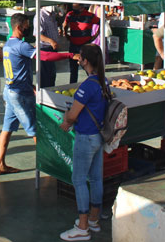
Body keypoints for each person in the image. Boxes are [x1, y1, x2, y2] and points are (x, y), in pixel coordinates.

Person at [0, 13, 77, 174]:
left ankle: (0, 163)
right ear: (19, 27)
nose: (29, 28)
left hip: (10, 91)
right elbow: (44, 56)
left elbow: (16, 69)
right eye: (26, 25)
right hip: (20, 95)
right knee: (35, 130)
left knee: (7, 128)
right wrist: (70, 55)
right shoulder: (22, 45)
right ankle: (52, 162)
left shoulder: (8, 45)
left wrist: (29, 84)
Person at [59, 44, 108, 241]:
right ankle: (94, 220)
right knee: (96, 179)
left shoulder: (87, 86)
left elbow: (73, 114)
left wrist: (66, 121)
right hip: (98, 137)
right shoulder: (103, 83)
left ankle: (83, 226)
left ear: (85, 61)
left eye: (80, 58)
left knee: (79, 179)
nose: (78, 61)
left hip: (85, 137)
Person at [62, 4, 100, 84]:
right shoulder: (70, 14)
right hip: (73, 45)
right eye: (73, 8)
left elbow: (101, 22)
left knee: (89, 68)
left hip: (85, 46)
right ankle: (72, 85)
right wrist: (65, 34)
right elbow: (65, 24)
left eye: (76, 9)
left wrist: (95, 36)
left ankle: (94, 84)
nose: (74, 11)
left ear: (82, 8)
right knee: (73, 69)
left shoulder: (90, 16)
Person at [35, 5, 61, 88]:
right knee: (45, 75)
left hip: (52, 49)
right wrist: (51, 41)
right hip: (44, 49)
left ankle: (51, 90)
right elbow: (38, 35)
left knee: (51, 74)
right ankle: (44, 95)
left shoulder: (52, 14)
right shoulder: (40, 16)